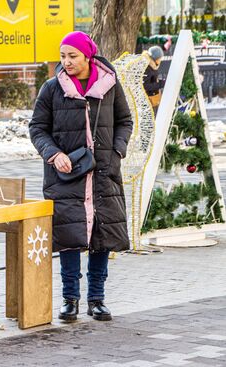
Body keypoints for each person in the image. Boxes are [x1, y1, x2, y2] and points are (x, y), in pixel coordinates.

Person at [29, 31, 133, 322]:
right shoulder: (51, 88)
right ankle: (70, 300)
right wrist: (54, 154)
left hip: (103, 173)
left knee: (102, 237)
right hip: (67, 175)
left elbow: (125, 121)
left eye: (72, 56)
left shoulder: (109, 86)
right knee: (70, 237)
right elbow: (37, 128)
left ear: (87, 56)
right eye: (63, 56)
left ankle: (97, 299)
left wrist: (117, 152)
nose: (66, 61)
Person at [143, 46, 166, 111]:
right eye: (160, 58)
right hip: (148, 100)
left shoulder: (153, 66)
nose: (161, 60)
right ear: (155, 58)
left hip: (151, 98)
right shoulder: (148, 68)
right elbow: (145, 86)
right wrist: (160, 84)